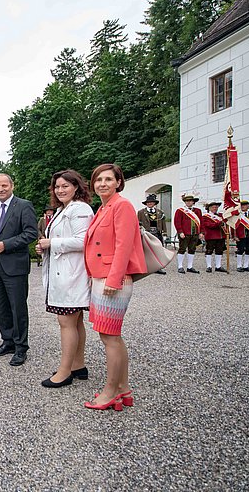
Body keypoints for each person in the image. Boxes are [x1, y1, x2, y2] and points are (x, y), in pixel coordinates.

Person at [83, 163, 146, 411]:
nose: (102, 184)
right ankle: (123, 388)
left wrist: (113, 279)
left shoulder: (122, 206)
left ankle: (110, 392)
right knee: (111, 337)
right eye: (98, 180)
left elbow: (123, 245)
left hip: (113, 280)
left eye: (108, 179)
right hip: (103, 278)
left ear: (118, 182)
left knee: (110, 337)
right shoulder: (104, 207)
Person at [35, 170, 93, 387]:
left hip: (72, 274)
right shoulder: (63, 210)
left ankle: (64, 371)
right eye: (57, 187)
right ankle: (78, 365)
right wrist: (45, 248)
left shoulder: (80, 209)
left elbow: (83, 240)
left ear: (76, 187)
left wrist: (52, 244)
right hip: (64, 271)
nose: (60, 190)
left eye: (65, 186)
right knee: (75, 320)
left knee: (66, 321)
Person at [0, 173, 38, 366]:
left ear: (12, 185)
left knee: (18, 307)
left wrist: (5, 245)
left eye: (4, 185)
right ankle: (7, 341)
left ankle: (21, 346)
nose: (0, 189)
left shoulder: (23, 206)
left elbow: (31, 233)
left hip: (14, 265)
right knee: (1, 307)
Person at [137, 194, 167, 274]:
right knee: (146, 250)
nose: (150, 204)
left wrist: (164, 233)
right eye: (148, 202)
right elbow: (137, 223)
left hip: (157, 232)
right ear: (146, 203)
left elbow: (163, 223)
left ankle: (158, 267)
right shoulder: (141, 212)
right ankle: (145, 267)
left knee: (158, 250)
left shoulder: (160, 212)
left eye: (151, 202)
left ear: (154, 203)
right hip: (146, 233)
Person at [174, 194, 203, 274]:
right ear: (185, 202)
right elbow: (177, 222)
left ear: (193, 202)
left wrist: (201, 232)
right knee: (182, 249)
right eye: (187, 201)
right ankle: (180, 266)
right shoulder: (180, 210)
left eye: (190, 201)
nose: (189, 202)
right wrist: (180, 232)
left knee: (192, 249)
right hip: (185, 233)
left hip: (195, 233)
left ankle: (190, 266)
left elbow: (201, 222)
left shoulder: (198, 211)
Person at [202, 201, 227, 273]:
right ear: (209, 208)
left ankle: (218, 266)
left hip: (220, 236)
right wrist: (219, 223)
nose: (215, 208)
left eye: (216, 207)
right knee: (209, 251)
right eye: (213, 207)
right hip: (211, 236)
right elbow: (209, 225)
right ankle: (209, 266)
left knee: (219, 251)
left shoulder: (220, 216)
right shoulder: (205, 216)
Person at [235, 200, 249, 272]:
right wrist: (235, 235)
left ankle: (246, 266)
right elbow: (233, 226)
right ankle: (239, 266)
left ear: (248, 206)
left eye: (245, 205)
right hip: (241, 235)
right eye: (242, 205)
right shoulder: (237, 215)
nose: (243, 206)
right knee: (240, 250)